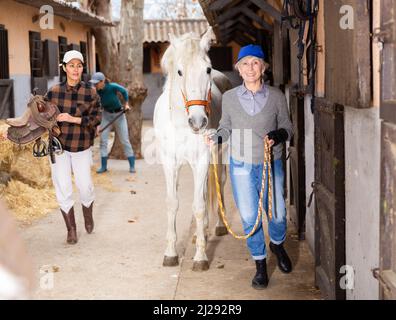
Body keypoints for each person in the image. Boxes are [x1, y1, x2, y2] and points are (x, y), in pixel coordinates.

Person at [205, 44, 294, 289]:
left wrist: (279, 134)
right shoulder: (230, 98)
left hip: (270, 162)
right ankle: (260, 264)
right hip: (241, 164)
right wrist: (216, 136)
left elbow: (289, 127)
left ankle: (277, 243)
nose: (250, 68)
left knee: (277, 213)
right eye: (245, 63)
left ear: (263, 67)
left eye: (255, 63)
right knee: (249, 216)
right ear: (239, 69)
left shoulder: (276, 96)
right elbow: (225, 128)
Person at [45, 50, 101, 244]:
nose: (75, 69)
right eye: (71, 65)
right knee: (63, 187)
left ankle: (88, 214)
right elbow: (42, 116)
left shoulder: (90, 92)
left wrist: (72, 119)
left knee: (85, 186)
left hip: (81, 145)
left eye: (79, 65)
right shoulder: (53, 92)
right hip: (59, 146)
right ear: (64, 68)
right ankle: (71, 229)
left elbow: (96, 119)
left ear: (82, 68)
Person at [89, 72, 136, 174]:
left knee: (124, 140)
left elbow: (124, 92)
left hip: (119, 115)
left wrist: (126, 104)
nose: (95, 85)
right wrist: (97, 125)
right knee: (103, 141)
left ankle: (132, 166)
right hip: (106, 115)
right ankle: (104, 166)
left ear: (103, 81)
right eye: (94, 83)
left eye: (97, 83)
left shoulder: (112, 87)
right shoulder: (96, 92)